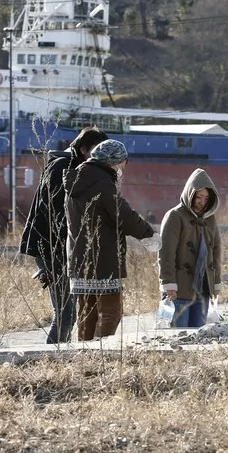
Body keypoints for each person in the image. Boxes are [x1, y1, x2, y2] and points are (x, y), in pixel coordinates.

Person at [64, 139, 160, 341]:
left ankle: (85, 353)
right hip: (102, 259)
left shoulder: (76, 181)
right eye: (124, 162)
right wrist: (148, 234)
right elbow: (123, 215)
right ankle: (102, 355)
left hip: (78, 258)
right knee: (111, 312)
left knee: (87, 313)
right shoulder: (102, 183)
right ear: (116, 162)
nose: (124, 167)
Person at [20, 126, 108, 344]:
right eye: (96, 152)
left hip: (61, 248)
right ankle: (51, 357)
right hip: (51, 247)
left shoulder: (78, 167)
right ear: (84, 148)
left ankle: (55, 355)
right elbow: (52, 210)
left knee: (69, 312)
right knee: (65, 314)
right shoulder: (62, 166)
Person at [158, 168, 223, 328]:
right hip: (179, 289)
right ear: (190, 194)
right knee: (178, 335)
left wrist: (216, 283)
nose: (202, 202)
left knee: (199, 335)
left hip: (203, 289)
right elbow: (166, 252)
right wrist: (168, 283)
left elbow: (216, 252)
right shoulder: (175, 216)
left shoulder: (210, 219)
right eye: (199, 197)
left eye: (206, 198)